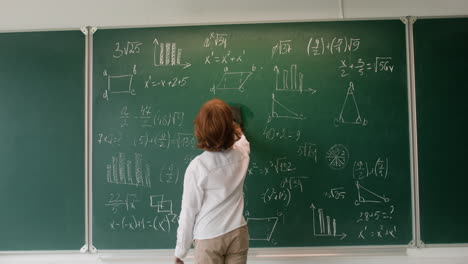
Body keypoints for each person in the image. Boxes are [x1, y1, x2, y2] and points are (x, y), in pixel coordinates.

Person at [174, 99, 250, 264]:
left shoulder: (197, 168)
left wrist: (181, 251)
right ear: (230, 128)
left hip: (209, 237)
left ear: (200, 130)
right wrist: (232, 126)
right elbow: (243, 139)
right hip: (237, 232)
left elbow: (188, 212)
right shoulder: (242, 154)